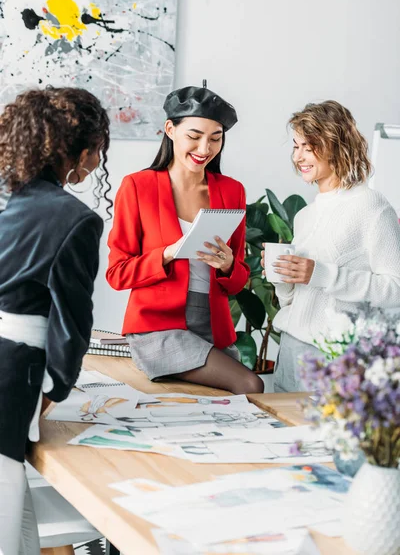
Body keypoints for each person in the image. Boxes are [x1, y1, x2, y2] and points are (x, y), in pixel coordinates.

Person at [0, 87, 110, 554]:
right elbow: (72, 322)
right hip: (14, 377)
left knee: (14, 519)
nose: (97, 164)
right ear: (78, 152)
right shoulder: (75, 218)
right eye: (98, 151)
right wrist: (54, 391)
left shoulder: (14, 201)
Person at [107, 82, 264, 394]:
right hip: (157, 328)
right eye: (194, 136)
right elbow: (117, 274)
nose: (204, 148)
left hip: (213, 326)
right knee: (249, 384)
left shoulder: (232, 191)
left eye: (215, 139)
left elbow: (238, 281)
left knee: (230, 404)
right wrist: (167, 253)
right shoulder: (138, 187)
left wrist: (228, 265)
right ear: (170, 129)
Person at [261, 100, 400, 393]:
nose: (299, 156)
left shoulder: (370, 206)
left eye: (308, 146)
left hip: (334, 360)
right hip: (289, 350)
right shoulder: (305, 216)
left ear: (336, 145)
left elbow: (395, 289)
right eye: (296, 146)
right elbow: (293, 302)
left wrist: (321, 274)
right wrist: (281, 276)